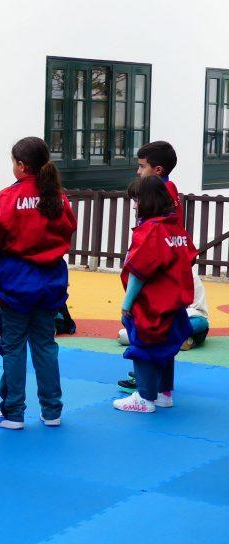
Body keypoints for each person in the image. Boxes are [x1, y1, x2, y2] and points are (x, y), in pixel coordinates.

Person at [0, 137, 77, 430]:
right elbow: (68, 229)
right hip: (50, 281)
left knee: (14, 346)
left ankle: (12, 413)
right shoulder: (58, 197)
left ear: (21, 165)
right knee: (46, 345)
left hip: (16, 282)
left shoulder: (9, 197)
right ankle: (52, 411)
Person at [113, 176, 196, 413]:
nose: (135, 205)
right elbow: (188, 257)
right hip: (174, 302)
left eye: (137, 200)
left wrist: (127, 303)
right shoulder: (175, 229)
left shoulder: (150, 230)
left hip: (152, 303)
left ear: (145, 201)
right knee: (167, 347)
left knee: (144, 347)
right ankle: (163, 393)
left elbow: (139, 271)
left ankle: (145, 397)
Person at [135, 141, 183, 223]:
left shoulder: (160, 192)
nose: (138, 171)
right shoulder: (168, 187)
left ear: (158, 170)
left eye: (142, 166)